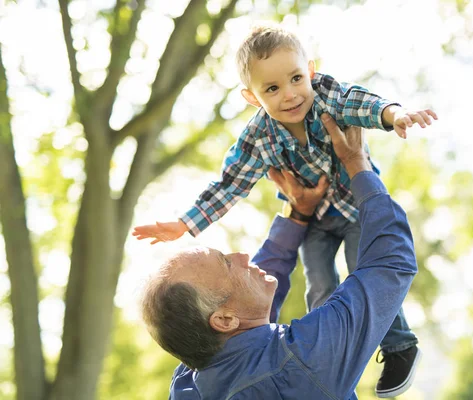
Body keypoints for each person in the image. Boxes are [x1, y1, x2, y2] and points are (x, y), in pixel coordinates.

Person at [133, 23, 436, 396]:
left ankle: (397, 344)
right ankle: (379, 347)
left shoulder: (189, 380)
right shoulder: (258, 136)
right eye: (272, 89)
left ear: (310, 70)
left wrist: (395, 114)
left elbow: (361, 103)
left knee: (352, 266)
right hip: (326, 221)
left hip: (339, 209)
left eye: (296, 79)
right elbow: (232, 183)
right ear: (252, 97)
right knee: (323, 284)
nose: (289, 95)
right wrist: (357, 165)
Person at [139, 116, 419, 399]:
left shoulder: (189, 381)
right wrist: (357, 164)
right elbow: (391, 263)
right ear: (224, 320)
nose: (243, 256)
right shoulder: (301, 362)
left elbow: (250, 308)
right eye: (227, 264)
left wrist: (298, 214)